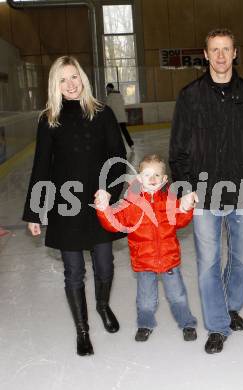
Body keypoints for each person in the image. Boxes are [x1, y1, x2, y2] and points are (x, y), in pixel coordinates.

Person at [169, 28, 243, 354]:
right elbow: (178, 149)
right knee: (209, 264)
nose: (220, 56)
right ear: (205, 54)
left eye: (225, 49)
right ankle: (217, 326)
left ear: (235, 53)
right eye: (214, 49)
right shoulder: (190, 96)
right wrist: (184, 187)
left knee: (240, 261)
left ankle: (231, 307)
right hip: (204, 197)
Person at [23, 56, 127, 356]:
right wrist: (34, 212)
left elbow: (117, 160)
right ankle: (82, 330)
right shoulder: (49, 119)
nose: (70, 84)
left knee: (105, 266)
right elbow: (40, 167)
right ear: (55, 85)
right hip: (64, 206)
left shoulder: (102, 113)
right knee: (74, 271)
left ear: (82, 77)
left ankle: (103, 305)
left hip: (99, 204)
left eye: (74, 77)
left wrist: (109, 192)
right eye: (63, 80)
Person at [94, 154, 198, 342]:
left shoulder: (170, 200)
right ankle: (145, 324)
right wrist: (103, 209)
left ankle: (187, 323)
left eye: (157, 175)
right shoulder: (130, 203)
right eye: (147, 174)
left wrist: (186, 206)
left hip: (169, 260)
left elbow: (181, 220)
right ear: (139, 178)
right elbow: (114, 224)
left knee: (178, 296)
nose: (152, 179)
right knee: (146, 300)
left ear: (165, 179)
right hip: (143, 261)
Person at [106, 83, 134, 151]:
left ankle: (116, 147)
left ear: (109, 88)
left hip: (115, 118)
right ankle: (131, 144)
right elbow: (122, 104)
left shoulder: (110, 97)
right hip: (121, 117)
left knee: (114, 133)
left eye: (107, 89)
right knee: (124, 131)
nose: (107, 90)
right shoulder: (120, 95)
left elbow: (107, 107)